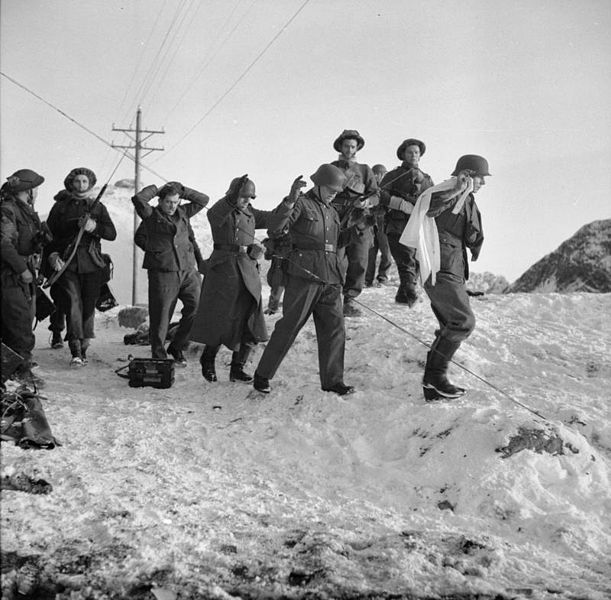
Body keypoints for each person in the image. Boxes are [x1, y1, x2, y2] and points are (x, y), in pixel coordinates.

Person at [253, 164, 355, 396]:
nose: (334, 193)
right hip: (305, 276)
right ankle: (263, 375)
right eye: (330, 189)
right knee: (290, 326)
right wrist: (290, 200)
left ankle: (333, 381)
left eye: (337, 191)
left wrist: (359, 226)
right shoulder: (300, 203)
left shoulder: (331, 212)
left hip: (330, 277)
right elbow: (275, 228)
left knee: (334, 329)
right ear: (318, 185)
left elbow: (333, 243)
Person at [401, 154, 489, 400]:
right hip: (440, 268)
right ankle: (436, 377)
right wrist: (457, 190)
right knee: (462, 322)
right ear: (469, 175)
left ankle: (432, 385)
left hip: (453, 269)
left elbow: (472, 234)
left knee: (450, 325)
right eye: (481, 177)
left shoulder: (467, 198)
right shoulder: (446, 191)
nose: (484, 183)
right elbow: (428, 208)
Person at [190, 175, 274, 383]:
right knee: (220, 318)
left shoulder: (250, 213)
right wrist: (235, 192)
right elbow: (217, 213)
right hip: (223, 269)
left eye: (250, 197)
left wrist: (291, 199)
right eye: (243, 196)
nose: (247, 201)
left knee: (250, 317)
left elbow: (275, 218)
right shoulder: (220, 210)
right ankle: (207, 360)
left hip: (247, 268)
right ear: (233, 194)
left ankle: (238, 367)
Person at [132, 181, 209, 365]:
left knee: (197, 308)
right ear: (160, 201)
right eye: (168, 202)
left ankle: (177, 346)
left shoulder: (183, 213)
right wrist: (157, 253)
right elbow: (139, 199)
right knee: (161, 316)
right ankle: (159, 357)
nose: (172, 206)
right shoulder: (151, 215)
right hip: (163, 272)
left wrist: (181, 189)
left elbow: (203, 200)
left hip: (188, 270)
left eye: (175, 202)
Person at [46, 168, 117, 366]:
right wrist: (52, 255)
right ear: (71, 183)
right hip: (67, 263)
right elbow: (49, 236)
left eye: (85, 181)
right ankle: (75, 348)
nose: (81, 185)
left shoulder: (98, 207)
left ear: (91, 183)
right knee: (72, 302)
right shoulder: (60, 207)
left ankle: (85, 344)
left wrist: (94, 227)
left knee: (88, 304)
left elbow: (111, 233)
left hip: (92, 263)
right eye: (77, 181)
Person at [0, 169, 48, 386]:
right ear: (27, 190)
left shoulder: (24, 211)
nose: (36, 192)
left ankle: (16, 371)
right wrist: (22, 269)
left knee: (22, 321)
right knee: (18, 325)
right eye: (34, 188)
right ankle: (19, 375)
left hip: (19, 274)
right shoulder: (8, 210)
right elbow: (3, 244)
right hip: (9, 275)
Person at [330, 130, 379, 317]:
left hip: (360, 220)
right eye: (346, 146)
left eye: (353, 146)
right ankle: (333, 300)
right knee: (336, 261)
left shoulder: (365, 170)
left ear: (357, 148)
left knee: (359, 261)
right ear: (340, 147)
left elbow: (376, 195)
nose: (349, 149)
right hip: (336, 220)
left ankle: (350, 300)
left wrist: (366, 202)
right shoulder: (331, 167)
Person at [379, 138, 434, 306]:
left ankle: (402, 296)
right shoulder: (393, 175)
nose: (414, 155)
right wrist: (400, 204)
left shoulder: (427, 179)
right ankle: (412, 295)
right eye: (410, 152)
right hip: (397, 225)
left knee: (417, 260)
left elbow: (433, 199)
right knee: (405, 261)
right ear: (402, 154)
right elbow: (380, 195)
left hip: (418, 226)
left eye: (416, 152)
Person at [365, 163, 393, 287]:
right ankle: (367, 279)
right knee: (371, 254)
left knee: (386, 253)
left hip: (383, 225)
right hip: (371, 225)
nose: (376, 177)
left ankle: (383, 278)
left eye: (378, 174)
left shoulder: (388, 189)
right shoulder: (369, 188)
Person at [262, 229, 291, 315]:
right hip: (278, 263)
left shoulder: (294, 234)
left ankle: (276, 308)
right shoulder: (274, 235)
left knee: (287, 286)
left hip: (289, 262)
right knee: (277, 285)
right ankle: (273, 307)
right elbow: (268, 256)